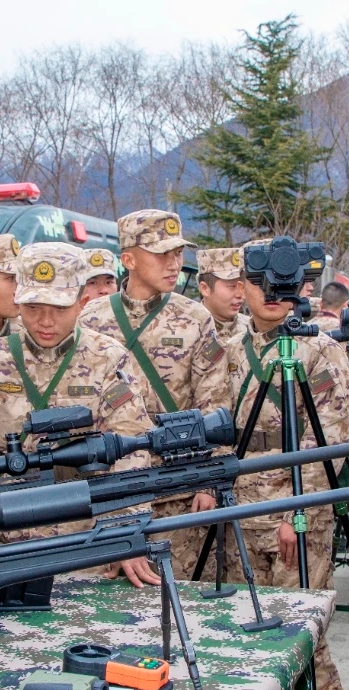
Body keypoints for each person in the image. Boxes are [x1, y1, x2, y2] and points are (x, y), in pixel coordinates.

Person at [224, 262, 349, 690]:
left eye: (280, 283)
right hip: (241, 505)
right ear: (243, 288)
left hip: (295, 507)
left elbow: (332, 436)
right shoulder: (232, 347)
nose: (270, 293)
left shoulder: (319, 348)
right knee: (255, 622)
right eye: (258, 283)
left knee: (302, 628)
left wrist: (297, 512)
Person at [0, 242, 154, 585]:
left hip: (87, 528)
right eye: (33, 307)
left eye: (59, 308)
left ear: (82, 302)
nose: (45, 321)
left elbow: (131, 445)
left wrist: (124, 526)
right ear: (17, 301)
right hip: (7, 529)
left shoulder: (106, 356)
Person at [78, 210, 230, 580]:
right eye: (162, 254)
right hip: (110, 491)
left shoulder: (194, 317)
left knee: (176, 595)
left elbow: (214, 401)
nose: (174, 263)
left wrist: (210, 481)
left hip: (178, 492)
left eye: (178, 253)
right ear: (129, 260)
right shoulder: (91, 318)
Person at [196, 247, 249, 342]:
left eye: (242, 286)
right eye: (232, 286)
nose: (240, 294)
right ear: (205, 288)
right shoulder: (183, 328)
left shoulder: (253, 329)